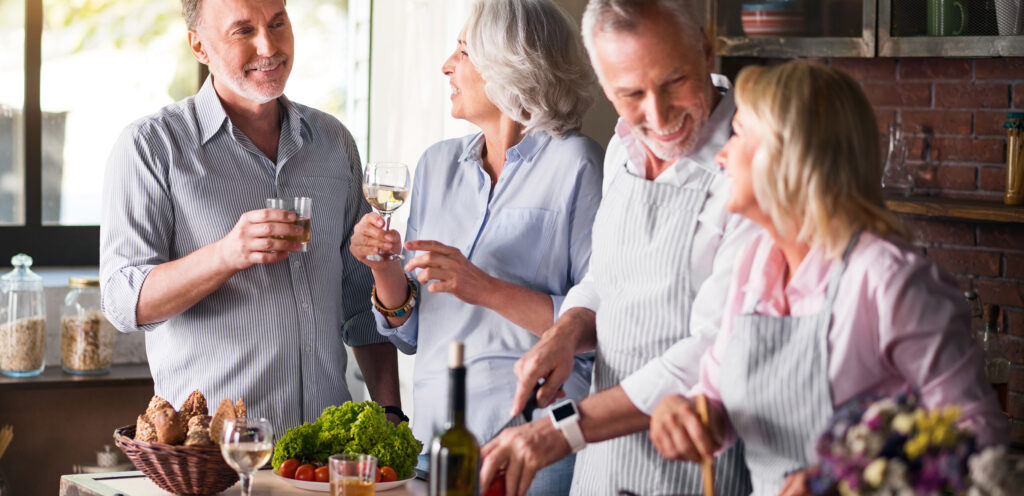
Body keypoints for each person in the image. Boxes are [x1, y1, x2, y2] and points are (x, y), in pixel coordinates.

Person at [647, 61, 1010, 496]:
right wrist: (684, 412)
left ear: (789, 154)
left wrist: (840, 482)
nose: (721, 154)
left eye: (739, 133)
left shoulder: (889, 281)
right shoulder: (753, 264)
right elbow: (716, 400)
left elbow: (978, 439)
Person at [480, 1, 759, 495]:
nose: (658, 114)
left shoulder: (753, 161)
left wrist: (559, 428)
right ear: (606, 88)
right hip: (604, 468)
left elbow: (715, 348)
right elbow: (605, 280)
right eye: (631, 93)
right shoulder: (621, 149)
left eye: (675, 81)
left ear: (707, 50)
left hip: (698, 469)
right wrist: (565, 332)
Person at [99, 0, 401, 437]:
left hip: (322, 458)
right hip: (216, 461)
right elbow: (122, 301)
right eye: (243, 31)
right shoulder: (151, 148)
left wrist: (391, 413)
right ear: (198, 46)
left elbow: (360, 302)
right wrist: (226, 255)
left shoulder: (334, 143)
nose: (269, 46)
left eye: (278, 24)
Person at [349, 0, 602, 493]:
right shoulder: (436, 166)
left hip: (535, 451)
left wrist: (482, 286)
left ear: (511, 63)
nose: (447, 64)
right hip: (434, 445)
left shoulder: (578, 165)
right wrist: (384, 270)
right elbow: (411, 332)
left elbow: (596, 327)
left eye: (463, 51)